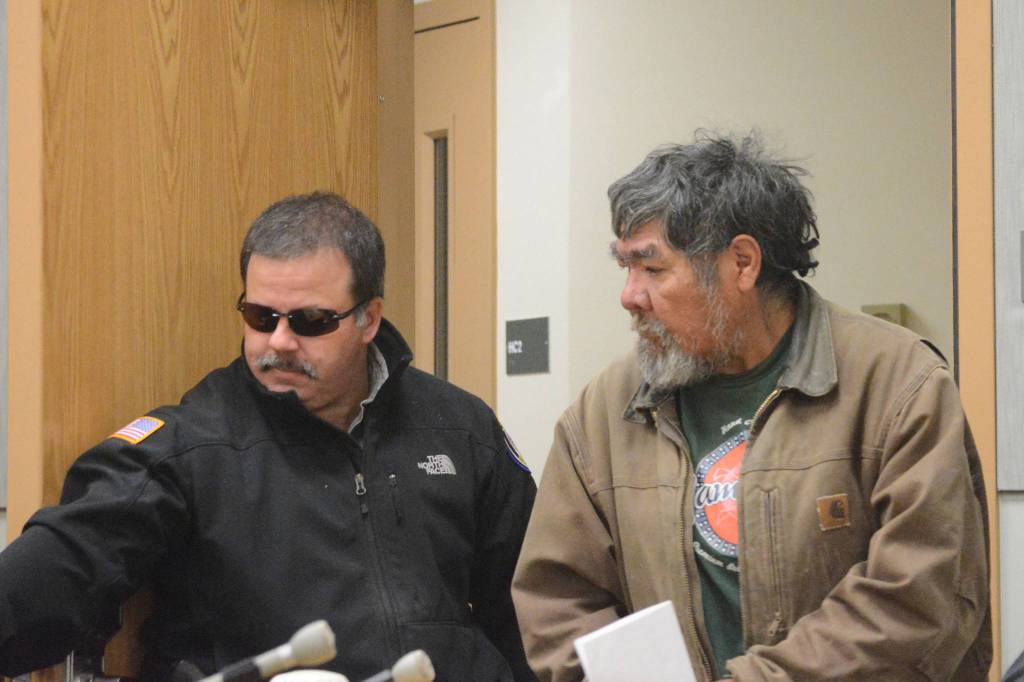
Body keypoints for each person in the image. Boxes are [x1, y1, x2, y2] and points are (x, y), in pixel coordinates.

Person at [512, 132, 991, 681]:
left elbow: (918, 596)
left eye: (652, 269)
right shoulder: (603, 413)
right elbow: (559, 600)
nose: (629, 295)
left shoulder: (897, 382)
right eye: (625, 267)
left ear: (742, 262)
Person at [0, 192, 537, 681]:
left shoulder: (459, 428)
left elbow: (532, 605)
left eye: (310, 321)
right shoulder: (194, 444)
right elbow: (70, 558)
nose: (278, 341)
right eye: (261, 316)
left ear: (369, 319)